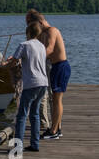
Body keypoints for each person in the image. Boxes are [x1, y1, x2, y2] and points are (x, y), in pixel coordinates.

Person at [4, 22, 48, 153]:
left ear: (28, 33)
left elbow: (13, 62)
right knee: (34, 114)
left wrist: (4, 66)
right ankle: (35, 144)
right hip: (43, 83)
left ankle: (17, 148)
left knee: (22, 115)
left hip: (31, 84)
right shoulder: (42, 46)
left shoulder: (24, 45)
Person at [27, 9, 69, 139]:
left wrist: (35, 57)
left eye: (33, 25)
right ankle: (57, 129)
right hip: (56, 67)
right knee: (55, 100)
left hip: (61, 66)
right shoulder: (44, 33)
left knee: (57, 100)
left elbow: (49, 49)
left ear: (40, 22)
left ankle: (54, 131)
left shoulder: (52, 31)